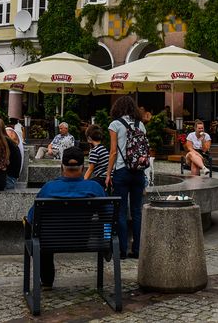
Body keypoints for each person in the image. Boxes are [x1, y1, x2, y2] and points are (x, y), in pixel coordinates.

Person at [25, 148, 106, 288]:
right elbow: (107, 216)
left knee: (40, 236)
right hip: (83, 240)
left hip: (51, 242)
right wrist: (107, 239)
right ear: (83, 167)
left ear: (62, 166)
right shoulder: (95, 188)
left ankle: (47, 280)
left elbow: (32, 219)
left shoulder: (49, 189)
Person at [106, 95, 147, 259]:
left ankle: (122, 250)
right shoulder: (141, 125)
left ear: (117, 108)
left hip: (122, 171)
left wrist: (108, 174)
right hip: (138, 172)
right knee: (137, 212)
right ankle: (137, 250)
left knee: (121, 212)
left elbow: (113, 152)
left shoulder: (115, 124)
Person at [83, 125, 109, 189]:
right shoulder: (104, 148)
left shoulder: (94, 151)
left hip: (102, 178)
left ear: (89, 138)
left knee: (88, 185)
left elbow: (90, 169)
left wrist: (83, 182)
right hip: (109, 177)